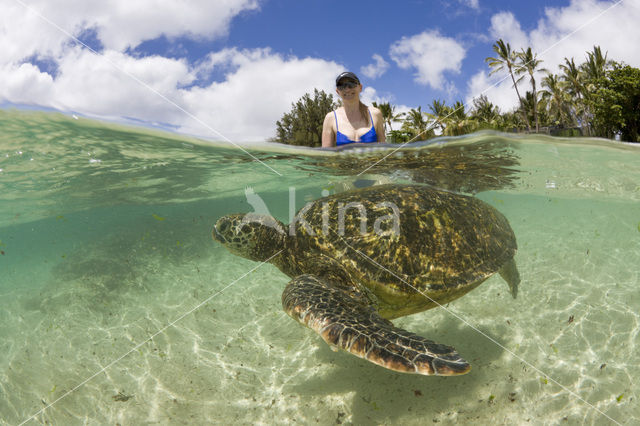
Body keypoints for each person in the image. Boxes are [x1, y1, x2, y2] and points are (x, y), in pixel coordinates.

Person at [322, 72, 385, 147]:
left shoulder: (375, 114)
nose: (347, 89)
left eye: (351, 84)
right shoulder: (330, 118)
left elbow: (383, 149)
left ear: (360, 87)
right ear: (337, 91)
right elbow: (326, 155)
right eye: (342, 86)